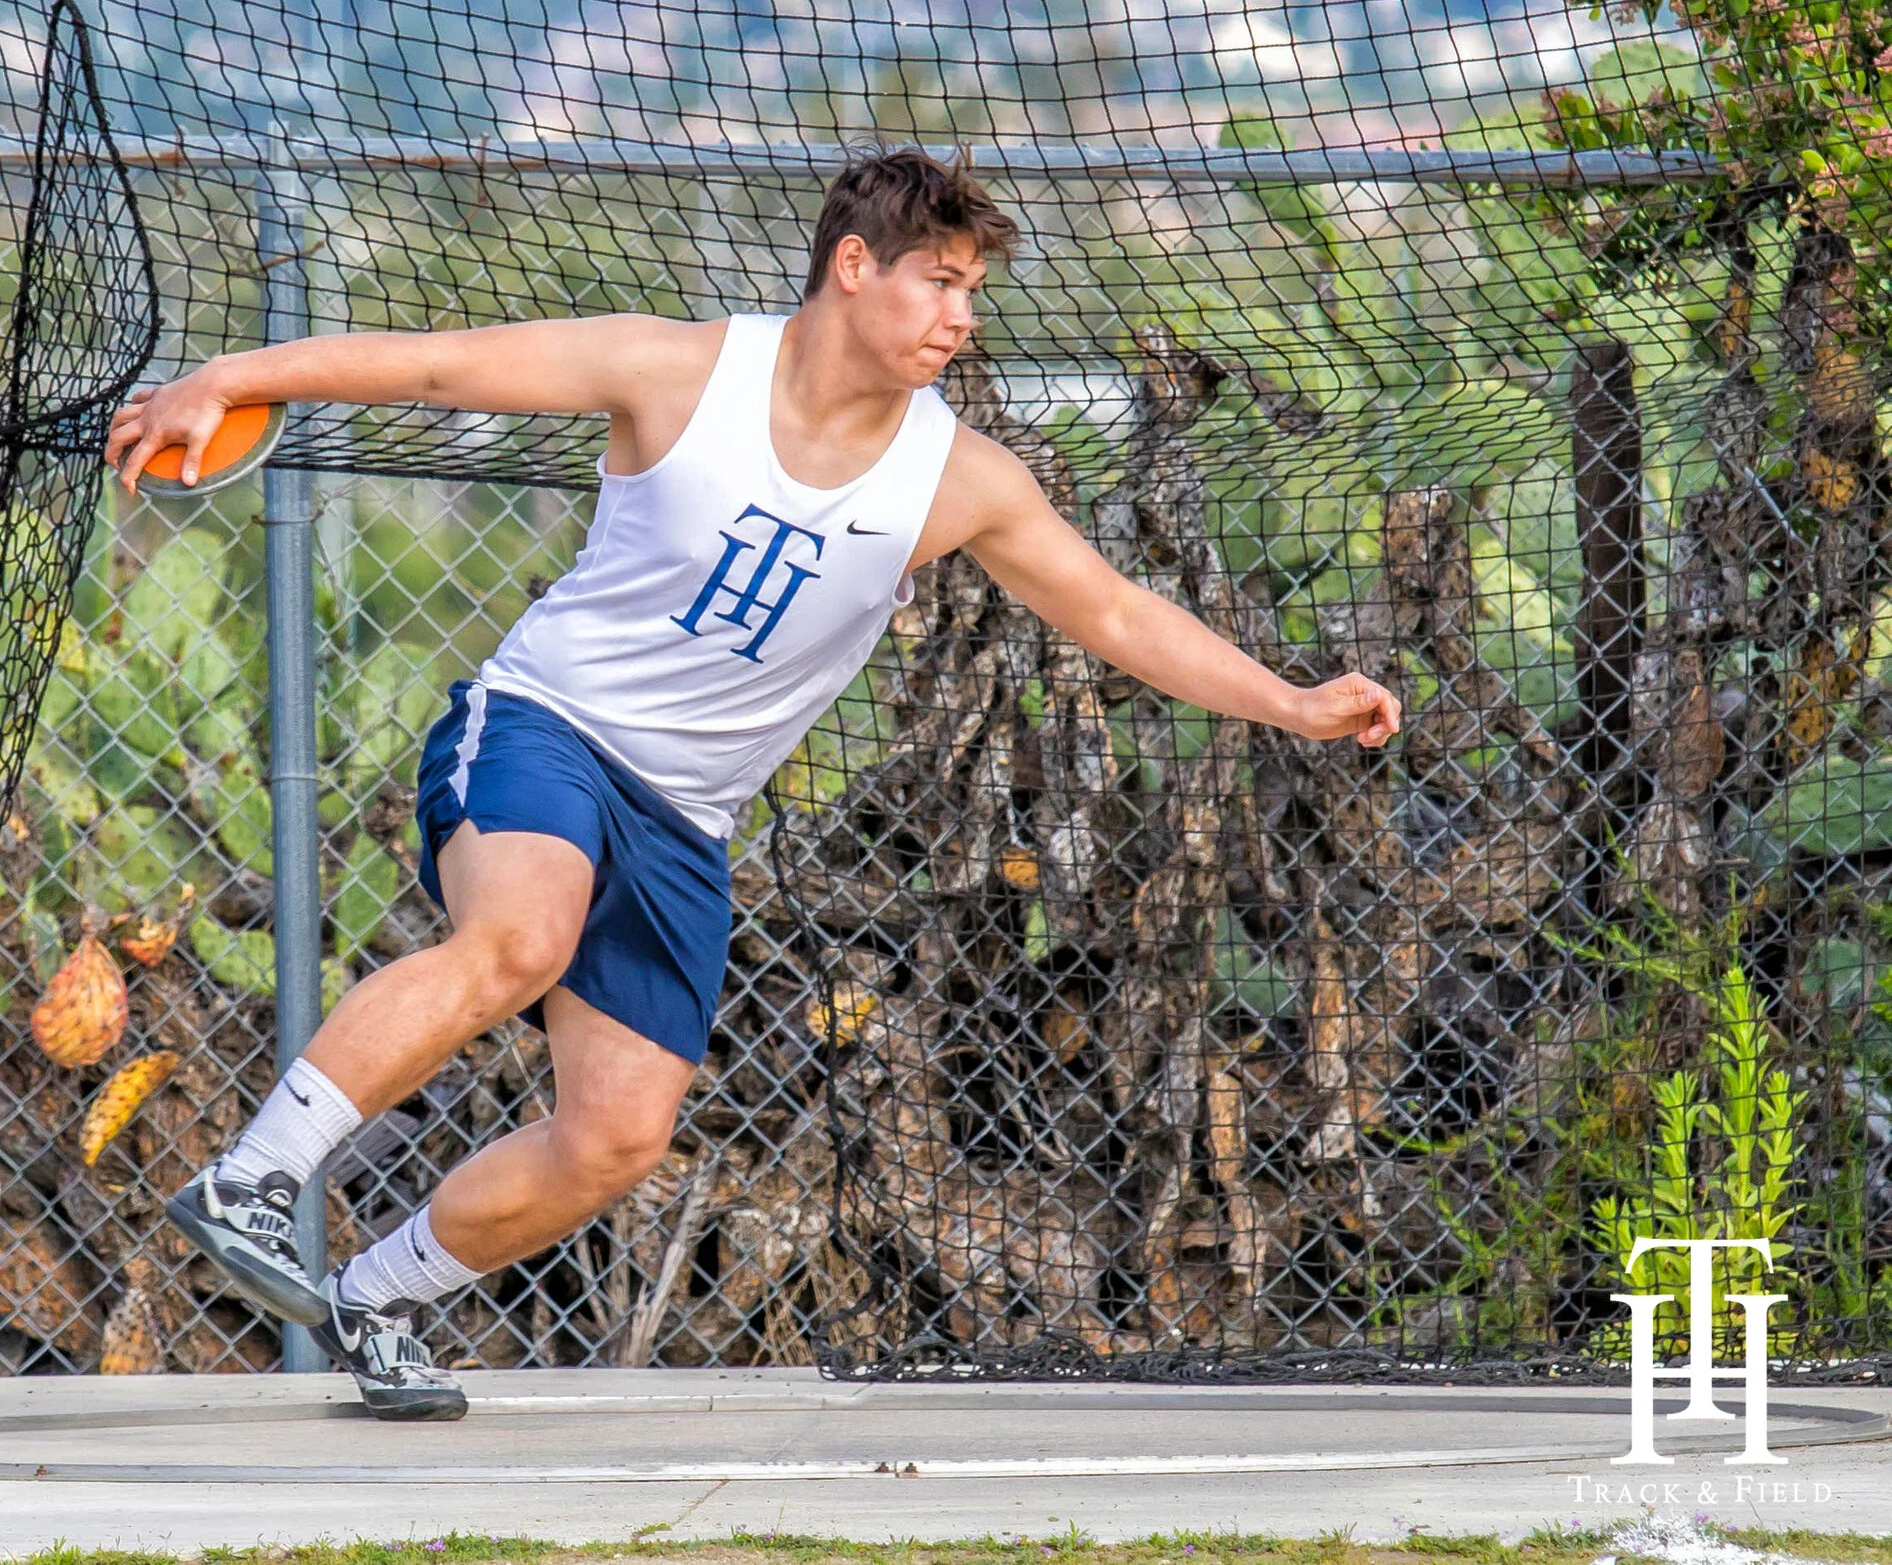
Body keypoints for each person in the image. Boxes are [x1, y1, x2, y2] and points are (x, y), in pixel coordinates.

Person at [102, 147, 1403, 1422]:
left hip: (684, 822)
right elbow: (436, 360)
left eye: (972, 291)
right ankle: (255, 1175)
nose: (960, 315)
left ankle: (375, 1297)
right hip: (546, 728)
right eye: (938, 281)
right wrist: (225, 375)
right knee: (522, 935)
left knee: (615, 1138)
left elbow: (1117, 613)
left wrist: (1291, 700)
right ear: (852, 265)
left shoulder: (959, 477)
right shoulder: (676, 372)